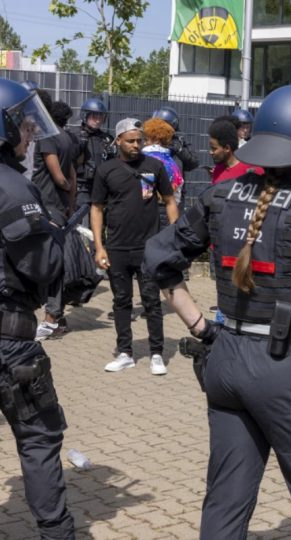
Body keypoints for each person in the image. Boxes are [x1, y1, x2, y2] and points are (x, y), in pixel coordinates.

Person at [143, 85, 291, 538]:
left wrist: (203, 328)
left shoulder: (219, 197)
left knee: (225, 502)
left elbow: (158, 259)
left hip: (225, 363)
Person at [0, 77, 75, 538]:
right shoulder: (12, 187)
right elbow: (42, 266)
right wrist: (56, 233)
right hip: (9, 342)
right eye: (25, 128)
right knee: (39, 438)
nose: (31, 136)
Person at [91, 118, 178, 375]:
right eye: (130, 141)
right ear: (118, 140)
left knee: (151, 301)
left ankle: (157, 354)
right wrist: (99, 246)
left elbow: (170, 201)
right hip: (117, 247)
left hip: (148, 247)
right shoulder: (106, 170)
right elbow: (96, 208)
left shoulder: (154, 166)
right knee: (121, 301)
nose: (136, 145)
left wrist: (174, 236)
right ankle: (125, 352)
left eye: (139, 140)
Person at [33, 101, 78, 341]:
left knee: (51, 264)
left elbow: (60, 177)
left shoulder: (47, 138)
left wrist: (64, 188)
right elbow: (72, 175)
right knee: (54, 261)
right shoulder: (68, 139)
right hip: (59, 209)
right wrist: (69, 203)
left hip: (46, 208)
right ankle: (57, 319)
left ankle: (51, 319)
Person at [141, 118, 185, 228]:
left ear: (156, 140)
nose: (143, 143)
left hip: (149, 211)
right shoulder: (173, 162)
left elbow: (146, 193)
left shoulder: (146, 158)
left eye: (146, 139)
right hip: (169, 209)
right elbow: (178, 191)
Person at [75, 97, 115, 211]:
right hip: (81, 186)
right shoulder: (75, 136)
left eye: (100, 116)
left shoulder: (106, 138)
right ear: (85, 116)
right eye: (94, 116)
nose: (98, 120)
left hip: (101, 185)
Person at [208, 119, 260, 184]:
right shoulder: (218, 170)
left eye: (214, 149)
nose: (210, 152)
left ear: (227, 148)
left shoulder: (253, 171)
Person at [151, 106, 199, 174]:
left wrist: (180, 150)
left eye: (161, 126)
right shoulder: (147, 141)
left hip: (174, 183)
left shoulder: (178, 142)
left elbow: (193, 163)